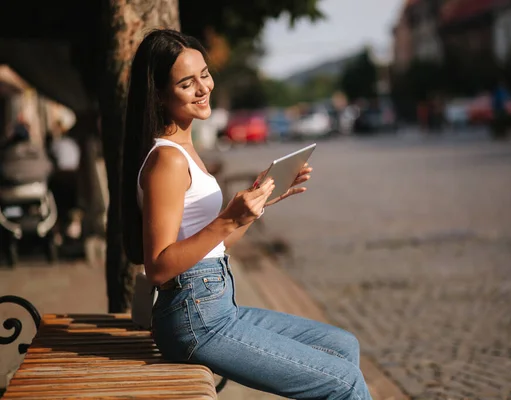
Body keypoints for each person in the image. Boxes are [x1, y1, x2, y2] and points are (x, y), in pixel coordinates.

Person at [121, 29, 372, 400]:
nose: (203, 88)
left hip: (216, 307)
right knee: (344, 383)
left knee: (342, 346)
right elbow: (158, 265)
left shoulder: (184, 152)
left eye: (204, 74)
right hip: (195, 320)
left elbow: (211, 249)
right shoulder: (166, 161)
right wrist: (226, 218)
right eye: (186, 83)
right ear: (159, 94)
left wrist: (256, 207)